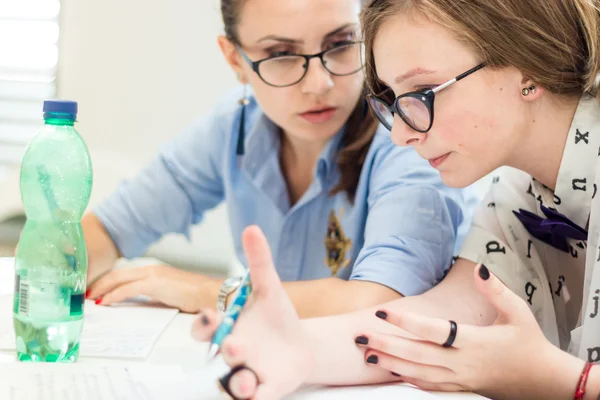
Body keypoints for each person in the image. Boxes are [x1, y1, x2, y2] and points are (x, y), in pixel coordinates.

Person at [193, 0, 600, 399]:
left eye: (422, 93)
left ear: (526, 68)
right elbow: (444, 315)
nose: (399, 135)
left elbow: (541, 372)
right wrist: (301, 348)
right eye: (393, 100)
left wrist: (566, 381)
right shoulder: (515, 189)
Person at [82, 0, 476, 318]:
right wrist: (54, 274)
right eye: (281, 54)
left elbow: (380, 303)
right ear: (235, 60)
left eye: (340, 44)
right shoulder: (234, 124)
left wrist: (204, 292)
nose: (318, 83)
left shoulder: (409, 137)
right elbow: (111, 228)